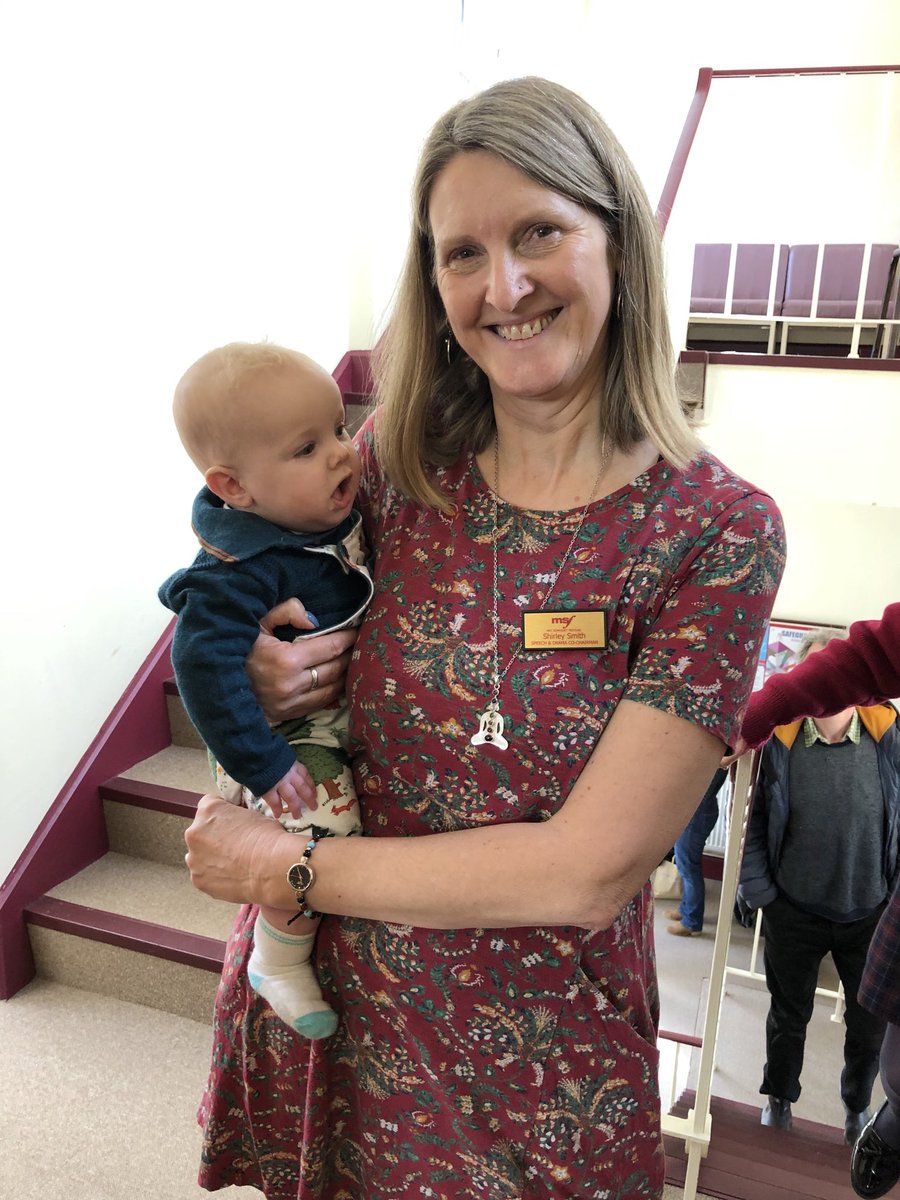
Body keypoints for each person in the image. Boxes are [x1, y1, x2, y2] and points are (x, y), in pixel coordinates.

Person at [182, 76, 786, 1200]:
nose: (503, 286)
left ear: (617, 242)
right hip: (330, 1011)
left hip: (531, 1065)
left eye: (539, 232)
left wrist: (285, 865)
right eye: (462, 253)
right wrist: (262, 672)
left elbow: (587, 870)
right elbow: (238, 574)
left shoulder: (716, 533)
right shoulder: (393, 471)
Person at [159, 343, 373, 1038]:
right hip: (278, 739)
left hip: (333, 713)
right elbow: (201, 664)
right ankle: (278, 956)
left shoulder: (322, 513)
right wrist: (260, 763)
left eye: (340, 429)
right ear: (236, 488)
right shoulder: (235, 570)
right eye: (307, 448)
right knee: (324, 823)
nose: (342, 453)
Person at [727, 603, 900, 1197]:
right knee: (788, 1013)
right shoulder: (781, 743)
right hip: (795, 908)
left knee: (868, 1027)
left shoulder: (885, 733)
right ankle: (779, 1094)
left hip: (870, 911)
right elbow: (754, 824)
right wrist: (763, 895)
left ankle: (857, 1110)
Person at [666, 767, 727, 937]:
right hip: (697, 812)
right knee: (686, 865)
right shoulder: (717, 753)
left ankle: (692, 922)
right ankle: (686, 910)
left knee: (689, 868)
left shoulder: (717, 755)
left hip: (697, 814)